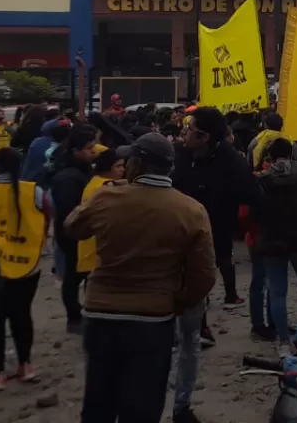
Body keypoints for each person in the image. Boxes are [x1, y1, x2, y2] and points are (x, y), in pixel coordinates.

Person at [64, 132, 216, 423]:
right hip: (153, 319)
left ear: (137, 163)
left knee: (98, 400)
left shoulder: (107, 196)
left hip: (101, 314)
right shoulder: (191, 210)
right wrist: (177, 301)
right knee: (144, 405)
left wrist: (110, 193)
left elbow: (73, 227)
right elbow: (204, 274)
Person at [0, 147, 50, 390]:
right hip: (28, 265)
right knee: (22, 314)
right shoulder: (35, 192)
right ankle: (25, 365)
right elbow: (47, 219)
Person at [175, 106, 262, 310]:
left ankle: (227, 296)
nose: (184, 131)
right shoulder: (182, 154)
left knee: (219, 259)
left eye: (190, 127)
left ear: (204, 137)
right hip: (183, 227)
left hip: (218, 225)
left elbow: (253, 196)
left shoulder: (232, 161)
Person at [255, 135, 297, 354]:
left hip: (271, 242)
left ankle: (283, 341)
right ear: (292, 154)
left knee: (277, 292)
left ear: (270, 157)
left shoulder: (262, 179)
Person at [48, 123, 99, 333]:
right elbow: (69, 210)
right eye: (88, 148)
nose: (93, 152)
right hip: (72, 233)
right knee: (73, 275)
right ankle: (74, 316)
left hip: (85, 231)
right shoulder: (67, 177)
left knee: (87, 273)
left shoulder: (82, 170)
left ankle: (89, 311)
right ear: (76, 151)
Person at [75, 146, 126, 277]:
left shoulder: (94, 182)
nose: (123, 169)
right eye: (118, 166)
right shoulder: (108, 187)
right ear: (107, 168)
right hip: (100, 248)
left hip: (89, 245)